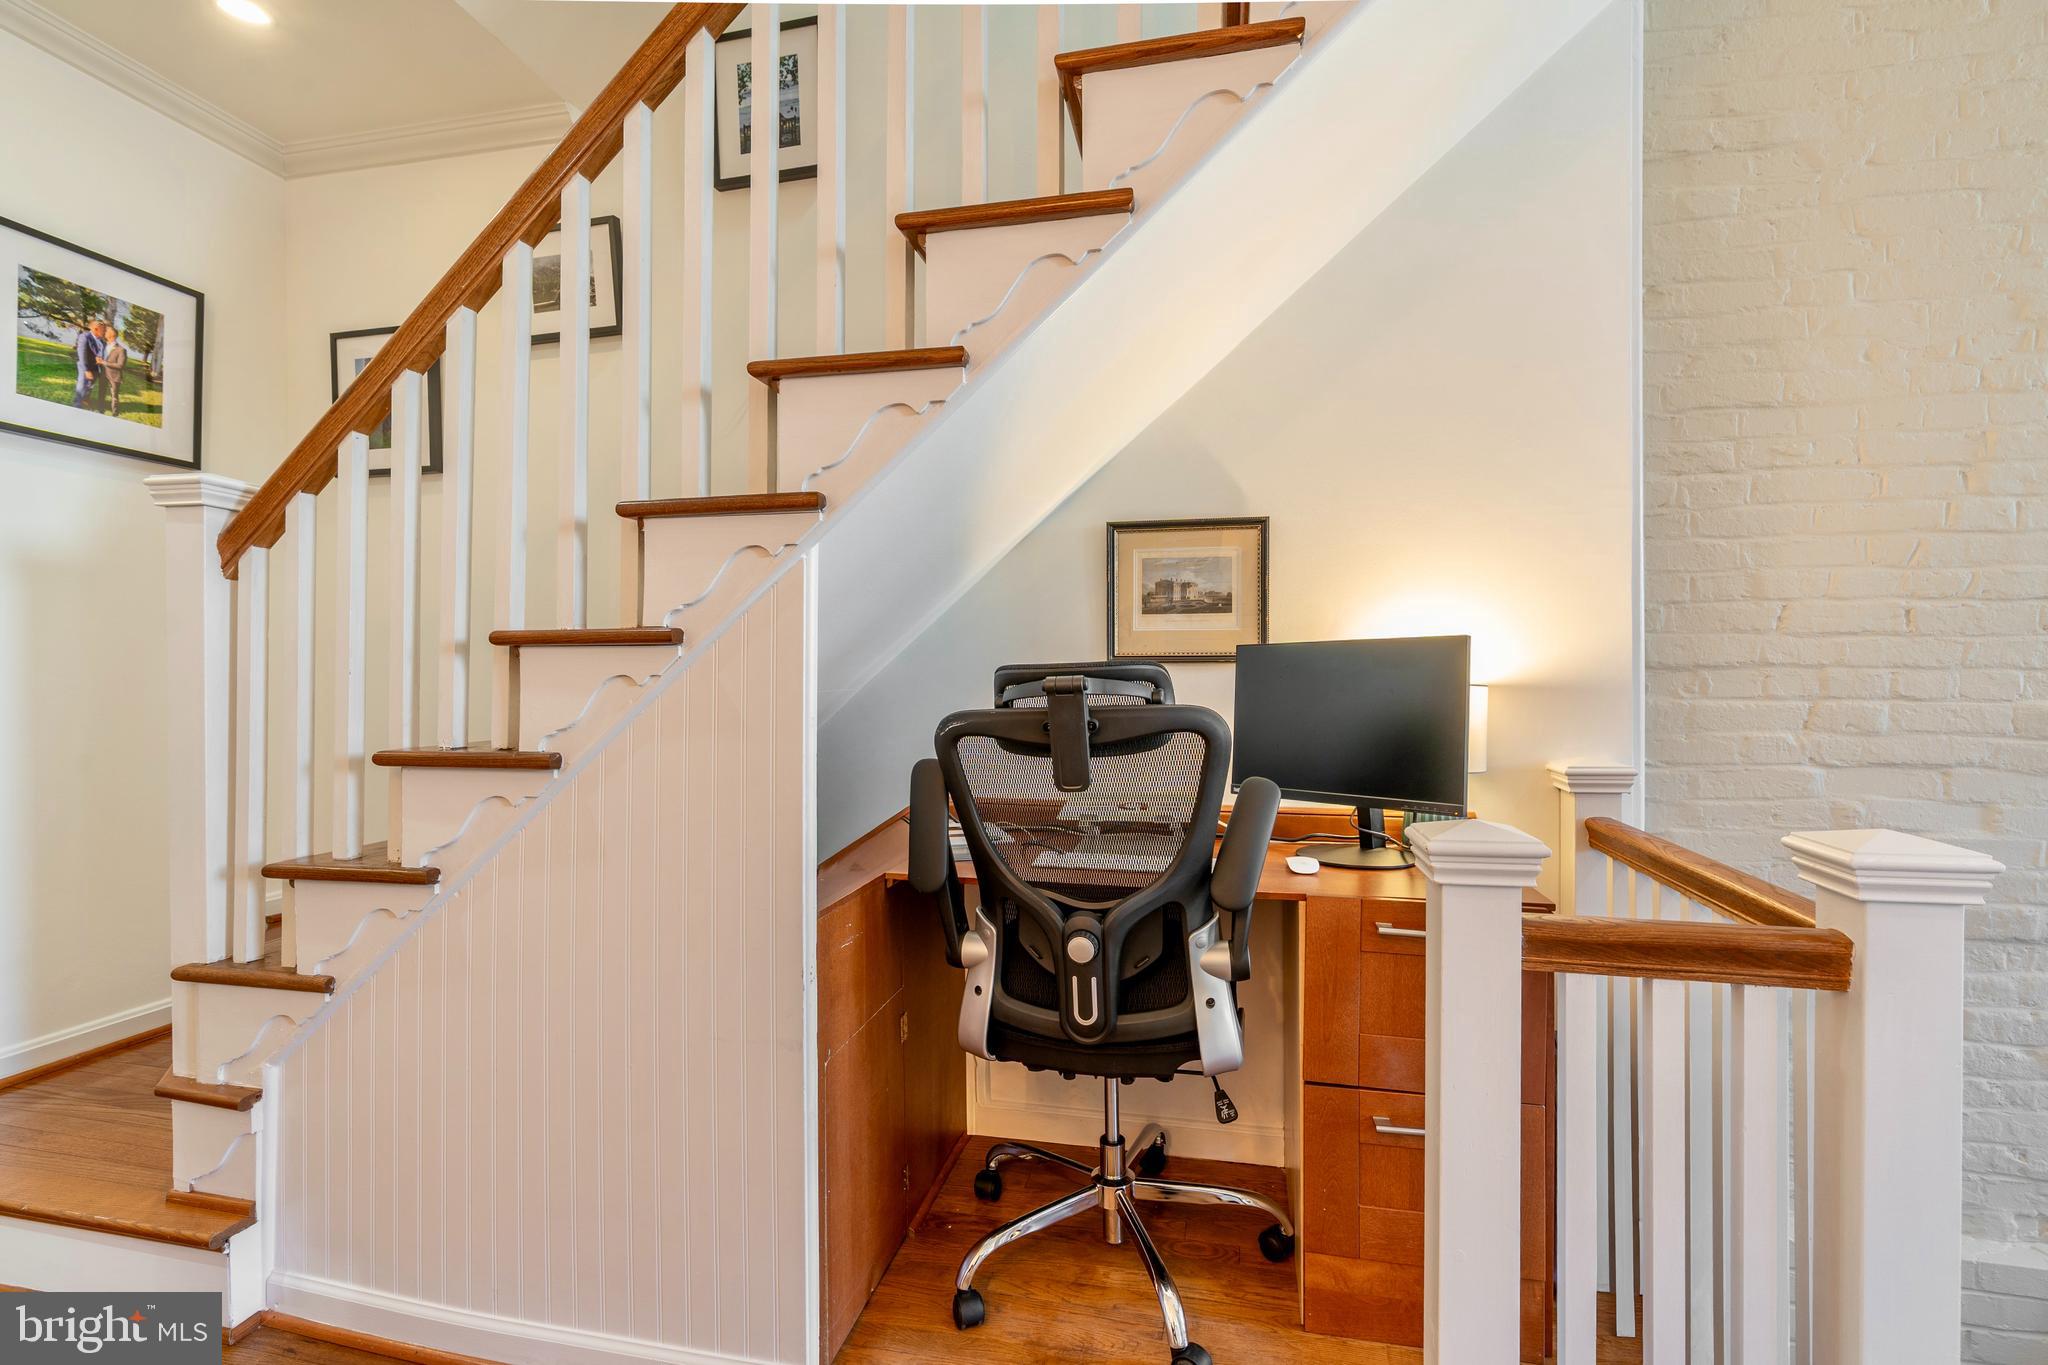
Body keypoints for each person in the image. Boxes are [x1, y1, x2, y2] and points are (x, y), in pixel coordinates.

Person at [71, 319, 103, 408]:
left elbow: (100, 352)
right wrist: (87, 370)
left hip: (96, 368)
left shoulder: (101, 340)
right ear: (96, 329)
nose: (104, 331)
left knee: (90, 386)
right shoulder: (85, 337)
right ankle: (77, 405)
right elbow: (82, 355)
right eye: (103, 329)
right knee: (82, 385)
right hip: (86, 367)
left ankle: (85, 399)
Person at [99, 325, 127, 418]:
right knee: (101, 393)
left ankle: (115, 414)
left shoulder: (121, 350)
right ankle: (100, 410)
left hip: (114, 376)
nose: (105, 333)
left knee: (114, 396)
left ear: (111, 335)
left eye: (106, 332)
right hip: (103, 374)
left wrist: (104, 362)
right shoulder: (103, 345)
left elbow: (120, 365)